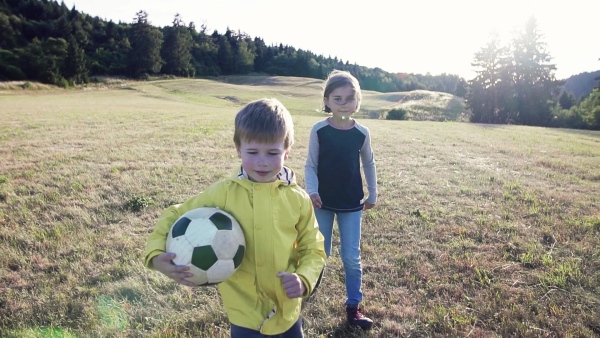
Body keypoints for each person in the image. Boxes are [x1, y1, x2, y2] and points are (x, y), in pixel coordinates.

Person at [143, 98, 326, 338]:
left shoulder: (298, 199)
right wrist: (156, 256)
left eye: (272, 153)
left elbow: (314, 247)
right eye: (252, 152)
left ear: (287, 151)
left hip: (288, 311)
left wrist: (304, 278)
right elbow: (176, 213)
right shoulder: (224, 192)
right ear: (238, 149)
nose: (262, 161)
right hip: (244, 316)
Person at [304, 70, 378, 330]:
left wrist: (373, 193)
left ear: (357, 101)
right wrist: (312, 191)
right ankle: (306, 291)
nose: (344, 104)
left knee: (351, 256)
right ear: (327, 101)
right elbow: (310, 165)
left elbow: (368, 163)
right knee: (319, 252)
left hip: (351, 204)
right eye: (338, 98)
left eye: (349, 98)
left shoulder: (361, 133)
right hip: (322, 203)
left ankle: (353, 307)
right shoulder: (320, 130)